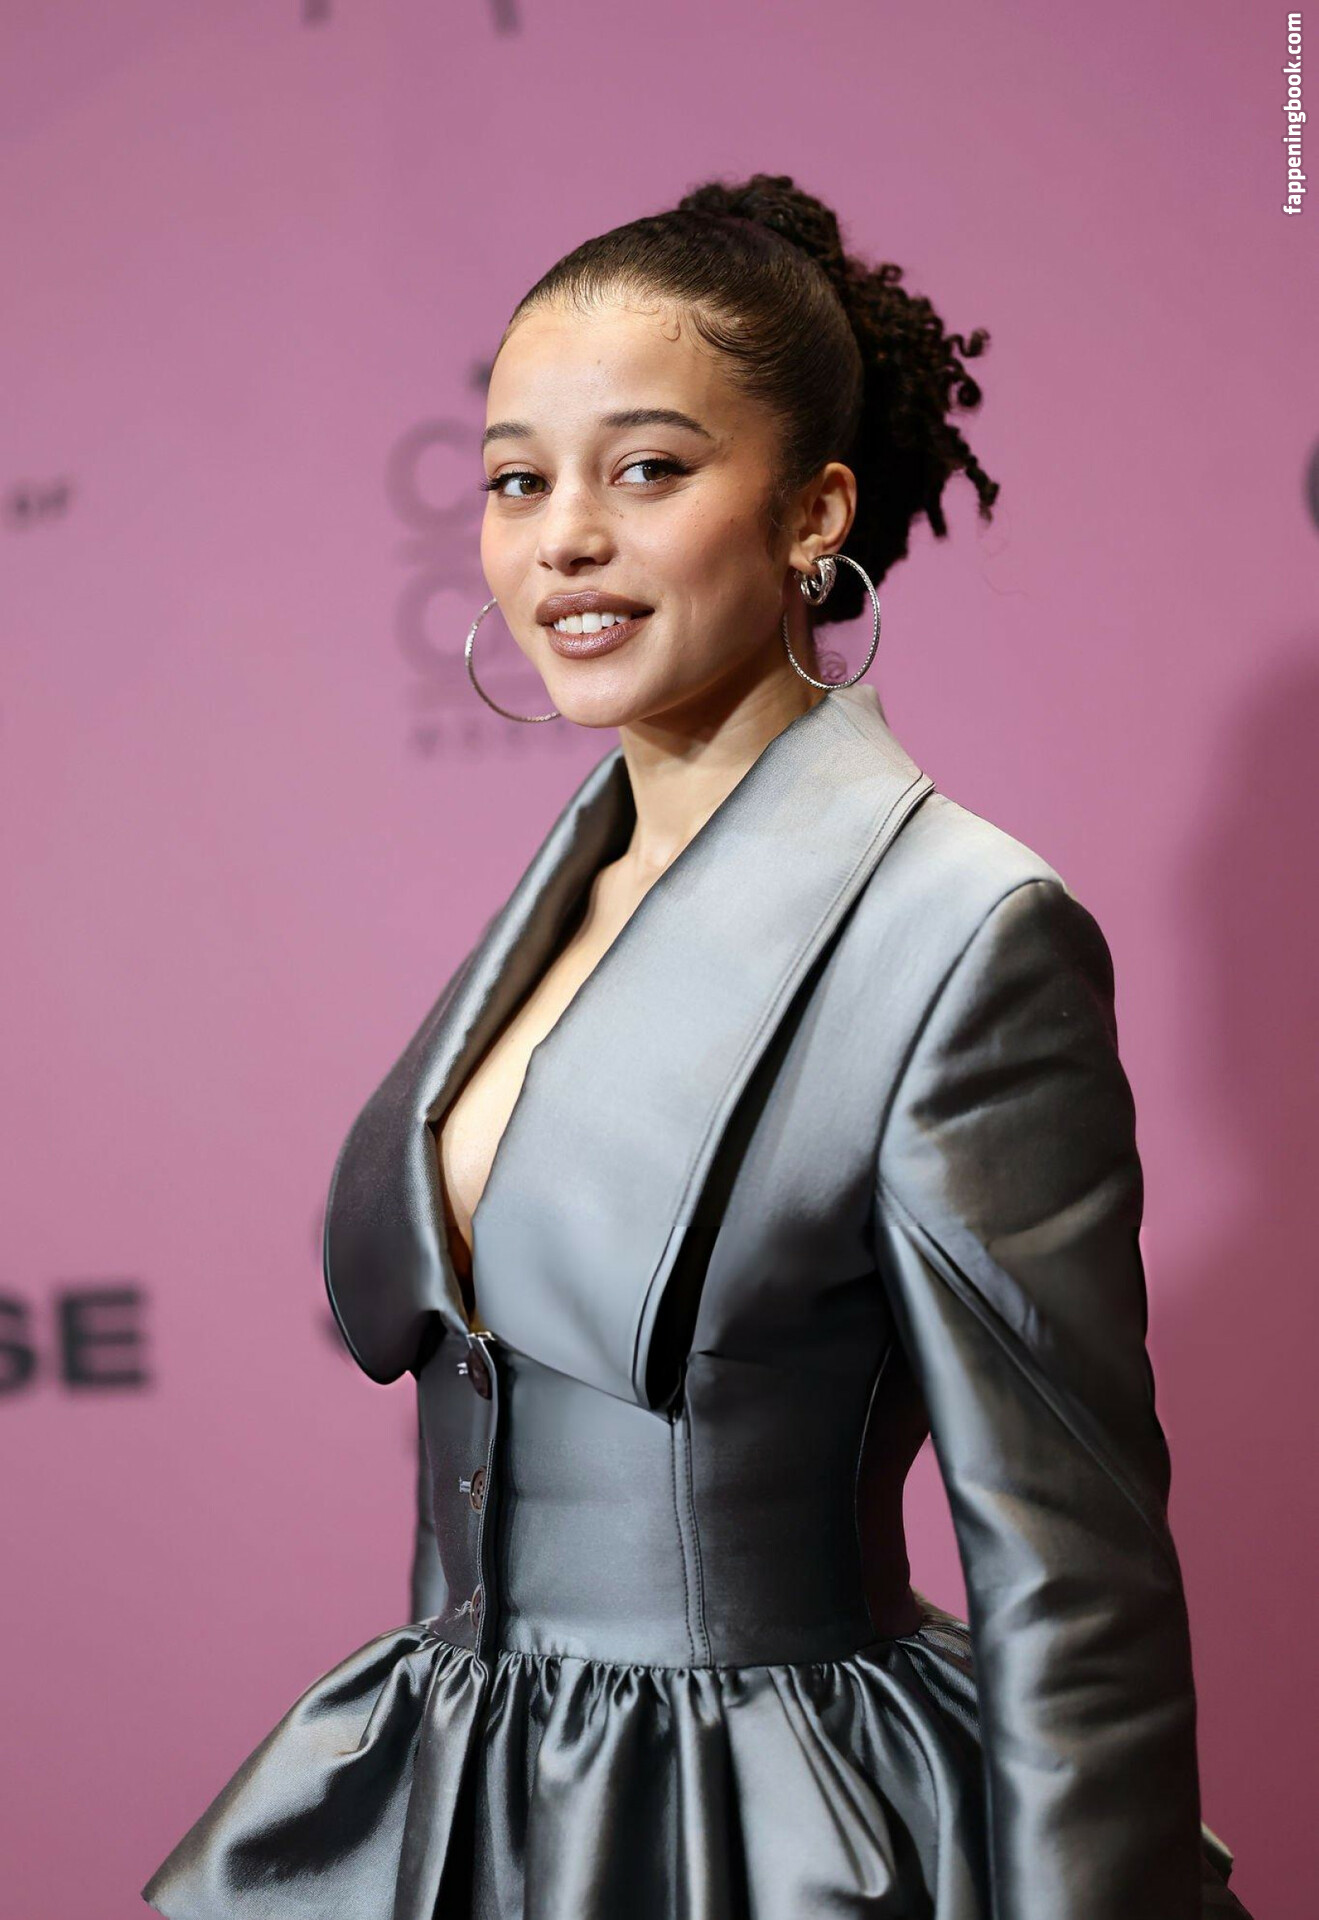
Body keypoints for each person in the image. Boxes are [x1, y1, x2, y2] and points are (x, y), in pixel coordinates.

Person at [141, 173, 1249, 1919]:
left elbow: (1071, 1574)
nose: (563, 538)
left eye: (647, 469)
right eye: (518, 481)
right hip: (472, 1801)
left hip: (770, 1829)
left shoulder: (963, 932)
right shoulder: (564, 901)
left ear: (814, 511)